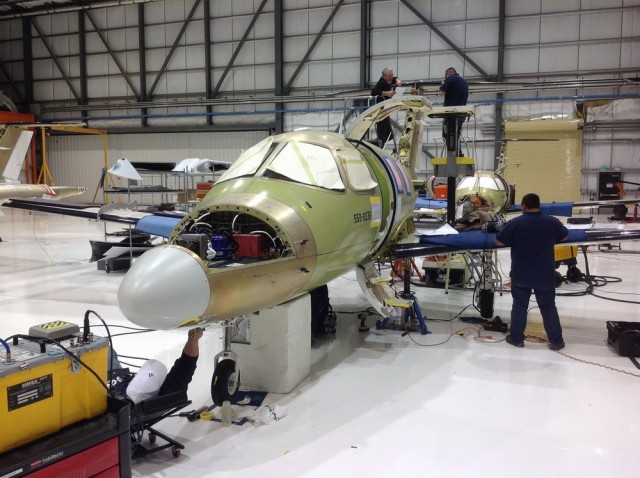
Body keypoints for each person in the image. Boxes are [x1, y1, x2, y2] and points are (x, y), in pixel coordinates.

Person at [494, 193, 568, 350]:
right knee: (548, 307)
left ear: (523, 206)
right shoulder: (552, 222)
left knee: (520, 306)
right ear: (538, 205)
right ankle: (556, 341)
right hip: (545, 274)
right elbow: (564, 237)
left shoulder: (515, 223)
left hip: (521, 274)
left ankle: (516, 338)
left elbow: (498, 241)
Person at [112, 327, 204, 403]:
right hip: (118, 380)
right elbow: (186, 365)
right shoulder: (168, 391)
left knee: (107, 351)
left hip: (112, 382)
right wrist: (193, 340)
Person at [438, 67, 469, 155]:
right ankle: (458, 153)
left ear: (447, 74)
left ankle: (454, 154)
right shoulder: (464, 82)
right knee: (456, 134)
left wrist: (443, 83)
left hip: (451, 113)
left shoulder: (450, 79)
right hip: (461, 114)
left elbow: (441, 92)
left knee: (447, 135)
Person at [371, 67, 402, 148]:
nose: (391, 77)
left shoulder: (389, 80)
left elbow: (395, 78)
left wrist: (398, 80)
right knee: (382, 133)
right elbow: (373, 92)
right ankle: (378, 144)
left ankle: (380, 143)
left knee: (389, 134)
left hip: (386, 110)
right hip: (381, 111)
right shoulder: (381, 82)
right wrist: (387, 93)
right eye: (390, 75)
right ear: (385, 76)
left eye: (392, 75)